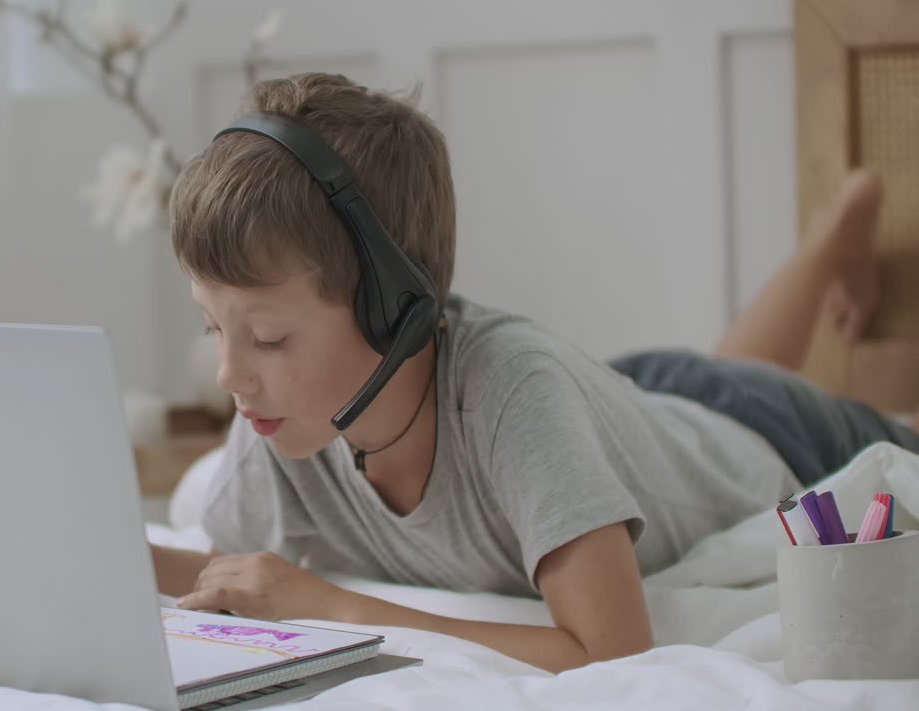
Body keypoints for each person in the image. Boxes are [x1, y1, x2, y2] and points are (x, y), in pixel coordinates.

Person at [147, 72, 918, 674]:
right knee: (718, 376)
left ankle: (835, 235)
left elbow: (612, 652)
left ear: (395, 310)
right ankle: (832, 241)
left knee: (745, 387)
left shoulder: (514, 398)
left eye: (269, 337)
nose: (229, 375)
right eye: (215, 327)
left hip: (774, 437)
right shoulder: (280, 409)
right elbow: (236, 573)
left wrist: (333, 605)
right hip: (634, 413)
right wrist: (129, 557)